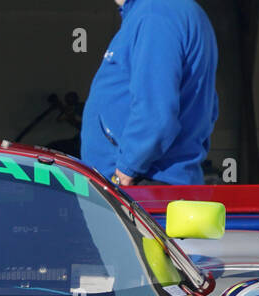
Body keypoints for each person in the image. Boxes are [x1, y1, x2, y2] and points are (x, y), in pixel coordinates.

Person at [81, 0, 219, 186]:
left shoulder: (155, 13)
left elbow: (155, 114)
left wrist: (126, 170)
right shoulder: (170, 11)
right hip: (158, 182)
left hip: (145, 186)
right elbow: (210, 109)